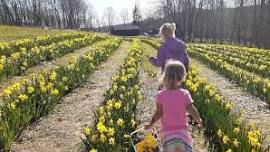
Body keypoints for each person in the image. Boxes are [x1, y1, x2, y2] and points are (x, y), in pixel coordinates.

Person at [144, 60, 203, 152]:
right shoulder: (184, 94)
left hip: (167, 134)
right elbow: (191, 109)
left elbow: (158, 114)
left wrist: (150, 125)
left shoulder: (160, 95)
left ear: (165, 76)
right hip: (182, 134)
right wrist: (199, 120)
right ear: (182, 78)